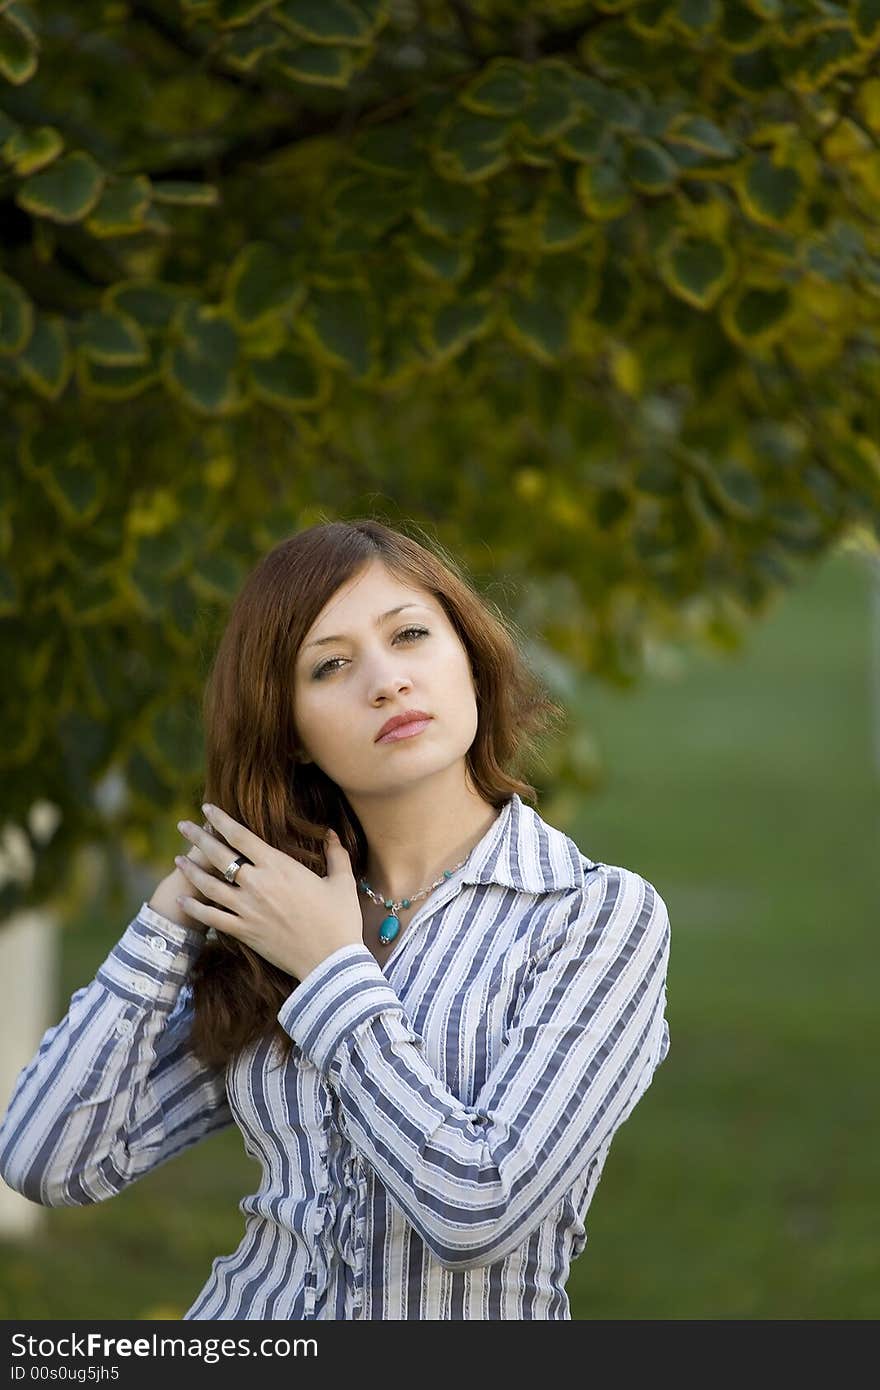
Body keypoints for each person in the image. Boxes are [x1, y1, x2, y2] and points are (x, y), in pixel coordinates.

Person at [0, 517, 671, 1320]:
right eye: (331, 666)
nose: (386, 682)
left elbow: (478, 1210)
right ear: (292, 734)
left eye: (412, 635)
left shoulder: (594, 915)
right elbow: (50, 1159)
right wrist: (170, 918)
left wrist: (332, 972)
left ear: (470, 657)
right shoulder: (278, 917)